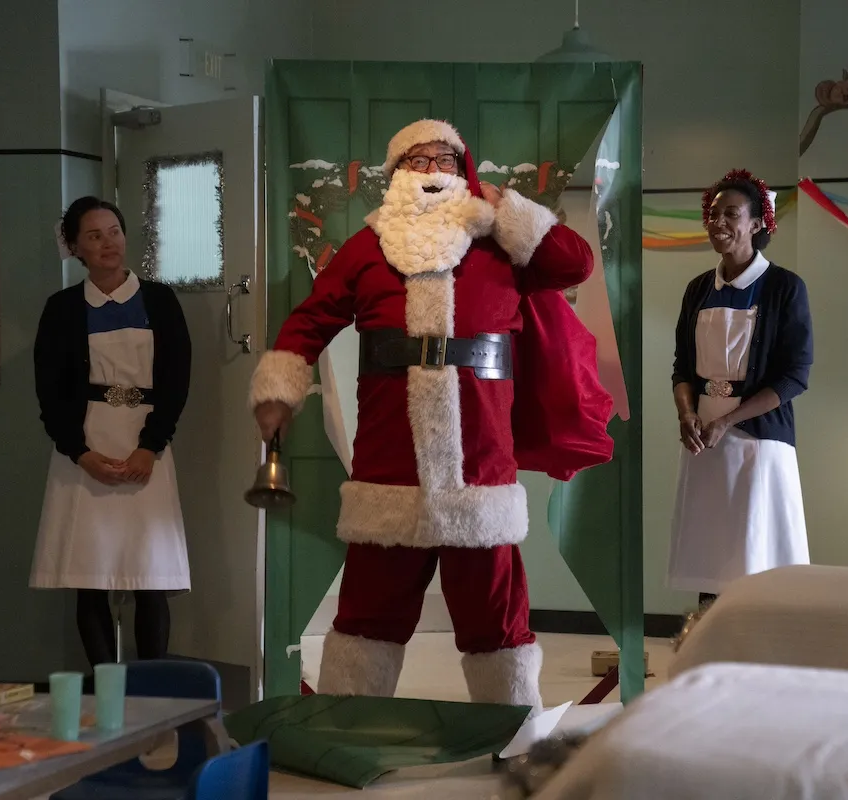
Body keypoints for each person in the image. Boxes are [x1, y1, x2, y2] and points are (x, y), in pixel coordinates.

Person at [249, 119, 606, 711]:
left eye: (445, 158)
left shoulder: (500, 241)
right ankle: (350, 724)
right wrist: (278, 388)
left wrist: (511, 211)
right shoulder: (366, 248)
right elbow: (309, 321)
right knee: (368, 615)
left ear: (463, 171)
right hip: (390, 467)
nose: (433, 169)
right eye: (417, 160)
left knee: (496, 617)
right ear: (395, 177)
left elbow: (575, 265)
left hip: (481, 467)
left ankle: (511, 729)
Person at [29, 196, 192, 667]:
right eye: (94, 236)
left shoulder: (159, 300)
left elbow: (177, 381)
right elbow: (50, 392)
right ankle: (106, 692)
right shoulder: (62, 308)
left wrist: (150, 447)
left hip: (147, 444)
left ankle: (152, 690)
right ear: (76, 247)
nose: (108, 243)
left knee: (149, 577)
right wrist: (79, 453)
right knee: (90, 574)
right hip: (85, 445)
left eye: (114, 232)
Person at [667, 169, 813, 606]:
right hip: (706, 445)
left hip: (760, 442)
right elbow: (682, 368)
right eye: (713, 214)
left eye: (732, 213)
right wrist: (688, 415)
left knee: (757, 558)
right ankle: (709, 650)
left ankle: (761, 657)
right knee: (712, 558)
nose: (719, 222)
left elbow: (793, 377)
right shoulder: (698, 289)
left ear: (756, 224)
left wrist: (727, 420)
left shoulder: (786, 288)